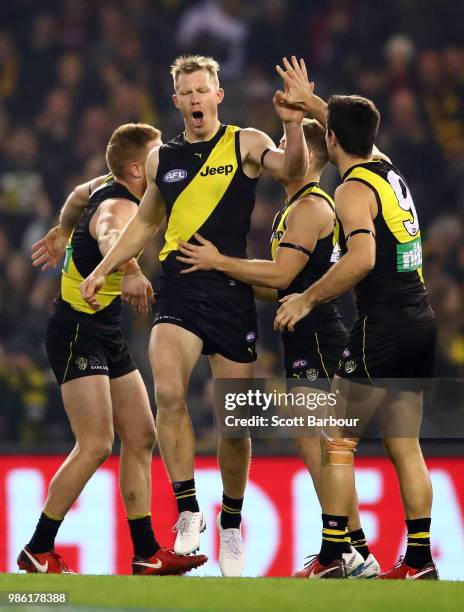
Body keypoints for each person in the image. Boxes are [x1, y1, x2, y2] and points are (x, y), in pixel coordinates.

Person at [80, 55, 308, 576]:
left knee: (234, 424)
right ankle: (187, 510)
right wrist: (106, 269)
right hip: (179, 292)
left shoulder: (247, 142)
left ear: (218, 95)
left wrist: (292, 125)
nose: (197, 99)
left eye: (205, 90)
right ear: (177, 101)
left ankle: (230, 521)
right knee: (170, 391)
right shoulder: (164, 159)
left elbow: (292, 170)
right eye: (188, 93)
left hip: (232, 292)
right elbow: (144, 224)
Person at [176, 117, 380, 579]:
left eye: (288, 144)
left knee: (323, 448)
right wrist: (230, 277)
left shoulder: (309, 208)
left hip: (319, 336)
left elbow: (282, 277)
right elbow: (279, 283)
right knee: (316, 444)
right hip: (304, 336)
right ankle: (354, 550)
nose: (278, 153)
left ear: (306, 157)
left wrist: (219, 260)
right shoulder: (295, 208)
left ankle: (348, 550)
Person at [274, 58, 437, 580]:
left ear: (332, 138)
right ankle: (418, 561)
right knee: (404, 443)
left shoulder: (349, 190)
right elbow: (348, 129)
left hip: (383, 321)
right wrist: (314, 103)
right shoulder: (386, 168)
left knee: (338, 441)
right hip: (420, 318)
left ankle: (332, 556)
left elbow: (362, 258)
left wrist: (308, 299)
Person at [21, 123, 207, 576]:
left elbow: (77, 196)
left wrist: (64, 228)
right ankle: (37, 549)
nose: (166, 158)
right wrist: (131, 269)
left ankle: (146, 552)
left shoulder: (104, 184)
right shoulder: (119, 203)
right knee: (97, 443)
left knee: (141, 434)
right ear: (135, 168)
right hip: (75, 331)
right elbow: (109, 233)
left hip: (104, 330)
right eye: (158, 154)